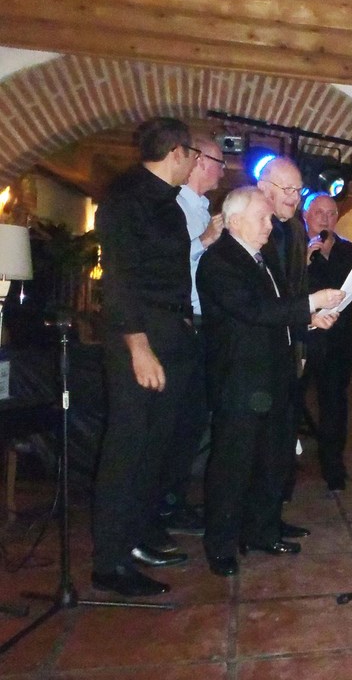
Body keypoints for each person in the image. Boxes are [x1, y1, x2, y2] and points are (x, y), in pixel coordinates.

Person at [197, 187, 343, 577]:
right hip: (240, 378)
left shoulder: (261, 257)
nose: (269, 225)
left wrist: (309, 320)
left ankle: (262, 529)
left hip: (275, 373)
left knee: (273, 456)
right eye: (261, 218)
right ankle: (221, 544)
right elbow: (253, 310)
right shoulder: (219, 261)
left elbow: (277, 311)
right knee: (233, 463)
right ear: (234, 221)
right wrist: (312, 303)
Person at [91, 116, 199, 597]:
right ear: (176, 152)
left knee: (157, 447)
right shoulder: (125, 199)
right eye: (193, 154)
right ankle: (109, 563)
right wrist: (138, 347)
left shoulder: (167, 202)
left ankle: (135, 539)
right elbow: (118, 280)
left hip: (170, 332)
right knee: (129, 450)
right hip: (141, 337)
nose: (194, 162)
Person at [158, 134, 225, 535]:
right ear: (199, 160)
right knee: (179, 420)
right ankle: (164, 507)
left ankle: (176, 501)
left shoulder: (201, 207)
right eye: (219, 162)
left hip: (204, 324)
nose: (223, 170)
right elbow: (165, 264)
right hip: (184, 324)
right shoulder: (176, 207)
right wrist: (204, 241)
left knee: (194, 420)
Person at [301, 192, 352, 492]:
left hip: (337, 340)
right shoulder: (295, 247)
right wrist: (304, 259)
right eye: (319, 213)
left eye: (331, 213)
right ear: (306, 215)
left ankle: (333, 466)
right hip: (303, 338)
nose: (325, 218)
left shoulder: (349, 250)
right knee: (292, 402)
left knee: (334, 403)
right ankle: (282, 470)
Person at [255, 156, 311, 538]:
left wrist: (303, 339)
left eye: (298, 190)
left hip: (289, 346)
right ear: (264, 188)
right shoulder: (254, 229)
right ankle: (258, 523)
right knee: (261, 441)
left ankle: (272, 516)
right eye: (287, 189)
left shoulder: (295, 229)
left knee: (283, 436)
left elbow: (298, 287)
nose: (294, 197)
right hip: (260, 350)